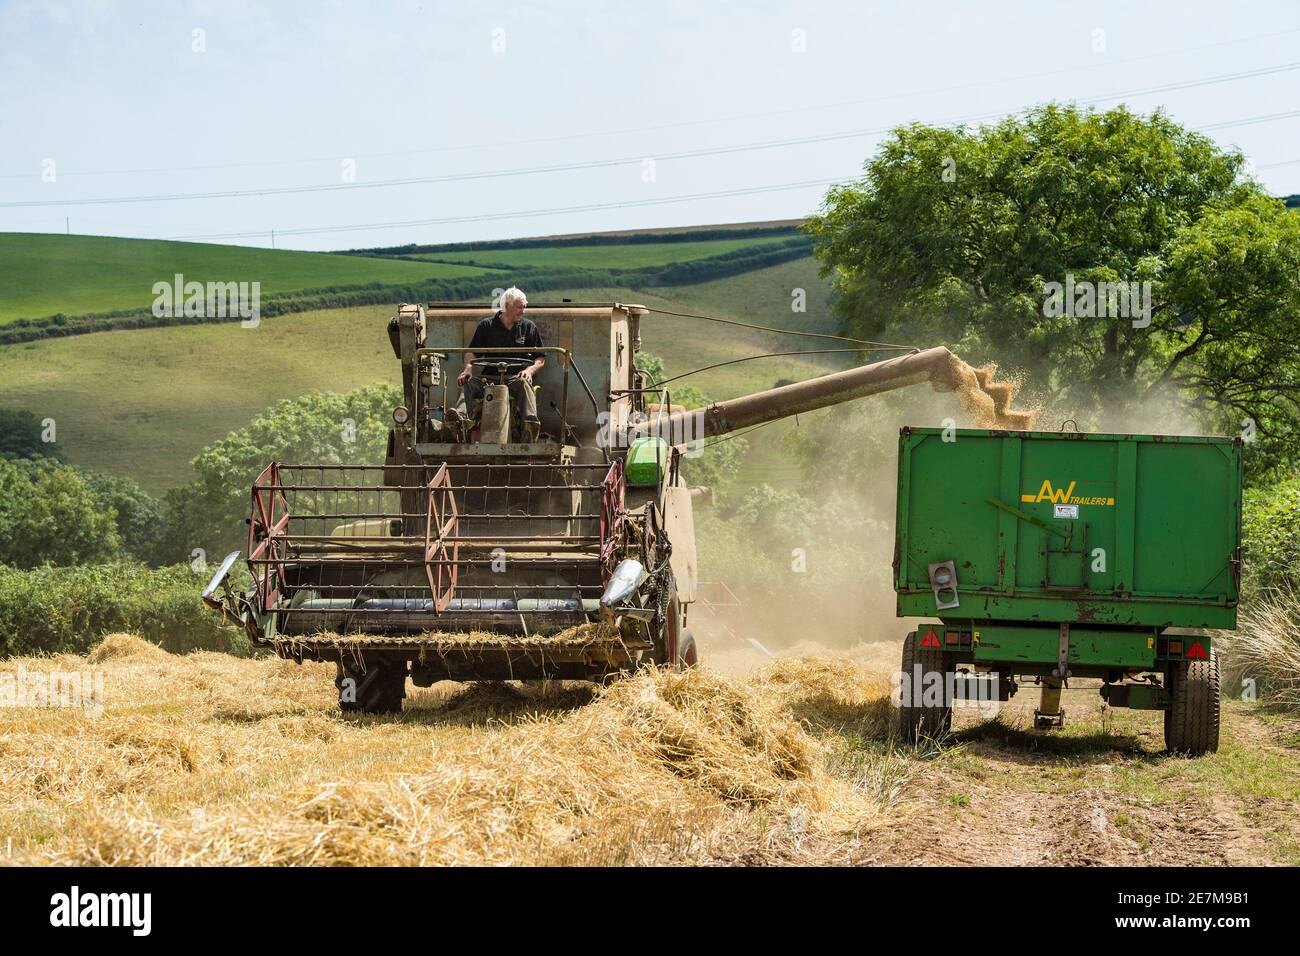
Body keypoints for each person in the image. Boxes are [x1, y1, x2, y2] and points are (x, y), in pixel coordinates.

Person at [452, 287, 544, 437]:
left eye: (524, 307)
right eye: (519, 307)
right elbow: (472, 352)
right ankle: (459, 421)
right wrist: (467, 369)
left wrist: (529, 371)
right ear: (507, 306)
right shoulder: (486, 326)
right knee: (466, 382)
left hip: (515, 378)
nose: (523, 311)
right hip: (488, 380)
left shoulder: (529, 327)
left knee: (525, 384)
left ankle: (530, 426)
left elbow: (540, 358)